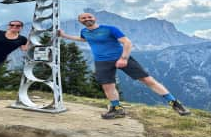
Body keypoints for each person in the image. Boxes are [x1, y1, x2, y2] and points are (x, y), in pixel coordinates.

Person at [58, 13, 191, 119]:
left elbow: (127, 42)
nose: (87, 19)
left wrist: (124, 58)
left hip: (121, 58)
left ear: (94, 18)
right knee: (108, 86)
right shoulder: (84, 31)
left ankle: (175, 103)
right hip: (102, 62)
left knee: (147, 80)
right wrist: (64, 36)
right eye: (83, 18)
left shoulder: (110, 29)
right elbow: (84, 39)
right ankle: (117, 109)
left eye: (89, 17)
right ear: (80, 21)